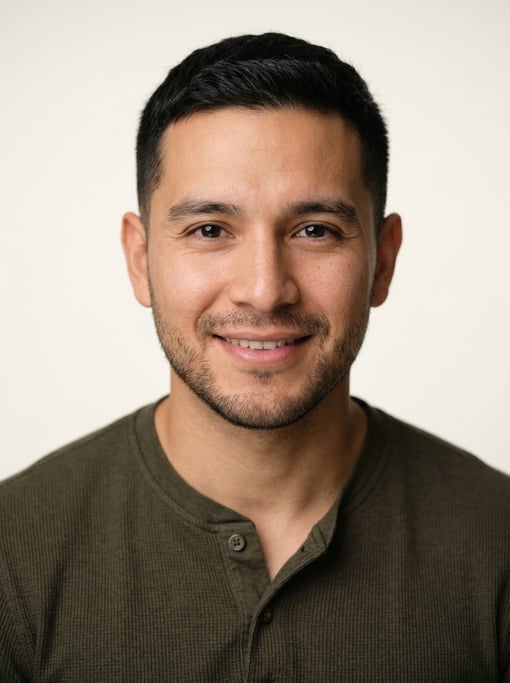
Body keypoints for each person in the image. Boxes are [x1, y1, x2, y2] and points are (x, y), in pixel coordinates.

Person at [0, 32, 508, 682]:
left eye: (315, 230)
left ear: (384, 260)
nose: (265, 289)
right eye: (210, 230)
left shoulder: (498, 543)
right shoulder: (15, 552)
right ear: (139, 259)